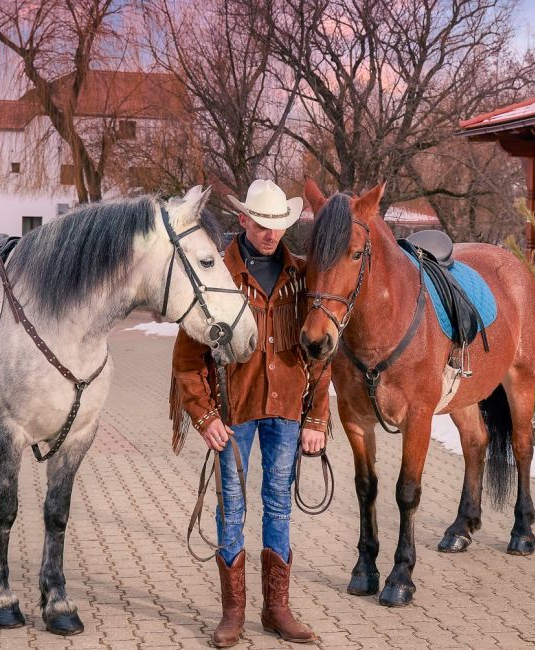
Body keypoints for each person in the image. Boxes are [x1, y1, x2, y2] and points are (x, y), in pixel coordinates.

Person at [170, 179, 330, 647]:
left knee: (279, 503)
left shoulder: (301, 277)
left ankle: (276, 608)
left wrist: (316, 418)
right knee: (233, 507)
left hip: (285, 411)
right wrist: (204, 415)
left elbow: (321, 352)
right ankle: (233, 612)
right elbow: (186, 359)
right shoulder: (218, 274)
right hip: (233, 412)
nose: (271, 234)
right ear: (244, 221)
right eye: (262, 225)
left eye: (278, 225)